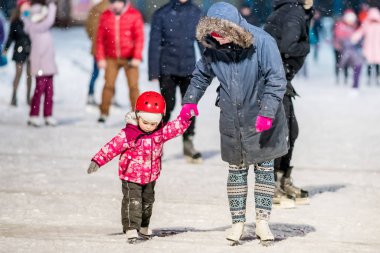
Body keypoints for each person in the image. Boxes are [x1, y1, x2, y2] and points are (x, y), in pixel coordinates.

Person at [181, 2, 288, 246]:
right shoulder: (213, 47)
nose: (217, 37)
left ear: (235, 28)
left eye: (222, 31)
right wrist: (189, 102)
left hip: (262, 117)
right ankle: (237, 222)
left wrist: (267, 112)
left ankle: (262, 221)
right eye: (213, 31)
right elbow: (200, 76)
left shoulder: (262, 42)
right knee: (236, 171)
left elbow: (276, 79)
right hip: (232, 118)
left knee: (264, 171)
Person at [87, 91, 197, 243]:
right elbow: (112, 147)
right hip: (130, 176)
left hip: (151, 176)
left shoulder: (159, 132)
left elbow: (175, 128)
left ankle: (144, 226)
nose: (149, 127)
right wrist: (98, 160)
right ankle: (131, 228)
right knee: (134, 201)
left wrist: (186, 117)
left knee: (148, 201)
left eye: (153, 124)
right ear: (137, 116)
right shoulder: (128, 134)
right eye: (145, 122)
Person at [263, 0, 313, 208]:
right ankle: (271, 184)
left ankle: (282, 178)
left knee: (290, 131)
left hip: (277, 77)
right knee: (283, 132)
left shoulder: (289, 10)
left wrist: (307, 12)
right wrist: (307, 46)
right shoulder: (293, 12)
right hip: (276, 78)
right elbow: (288, 46)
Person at [148, 0, 203, 163]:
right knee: (166, 107)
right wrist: (153, 70)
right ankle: (156, 145)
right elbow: (154, 43)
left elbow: (203, 42)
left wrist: (210, 67)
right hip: (167, 69)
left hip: (188, 68)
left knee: (189, 106)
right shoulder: (162, 13)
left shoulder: (196, 13)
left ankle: (188, 142)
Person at [96, 0, 144, 123]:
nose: (115, 5)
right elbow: (100, 39)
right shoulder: (105, 15)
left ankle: (136, 114)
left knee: (133, 87)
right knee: (108, 85)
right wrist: (101, 58)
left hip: (130, 57)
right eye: (113, 2)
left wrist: (137, 57)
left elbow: (139, 37)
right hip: (111, 57)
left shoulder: (134, 14)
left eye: (118, 2)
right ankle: (103, 113)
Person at [21, 0, 58, 127]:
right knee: (39, 91)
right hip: (40, 64)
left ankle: (48, 115)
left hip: (48, 64)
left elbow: (26, 17)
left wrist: (24, 13)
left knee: (49, 92)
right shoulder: (35, 27)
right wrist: (52, 5)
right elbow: (50, 20)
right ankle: (34, 115)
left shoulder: (37, 25)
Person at [3, 0, 32, 106]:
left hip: (30, 51)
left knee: (29, 76)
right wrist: (5, 49)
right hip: (19, 51)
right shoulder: (15, 21)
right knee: (18, 75)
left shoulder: (32, 20)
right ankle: (14, 96)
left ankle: (28, 98)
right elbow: (11, 37)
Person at [84, 0, 109, 105]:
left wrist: (93, 38)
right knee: (111, 74)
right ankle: (110, 97)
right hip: (109, 46)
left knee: (95, 73)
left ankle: (90, 94)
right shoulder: (112, 9)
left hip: (97, 46)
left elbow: (88, 27)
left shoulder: (94, 9)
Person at [352, 7, 380, 85]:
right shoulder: (367, 24)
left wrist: (353, 38)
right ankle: (373, 78)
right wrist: (353, 38)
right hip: (373, 48)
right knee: (374, 64)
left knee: (372, 64)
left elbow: (360, 32)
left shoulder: (367, 24)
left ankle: (373, 78)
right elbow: (360, 32)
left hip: (372, 48)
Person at [333, 10, 357, 84]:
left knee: (345, 62)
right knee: (338, 62)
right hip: (339, 47)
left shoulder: (352, 26)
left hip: (344, 48)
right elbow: (338, 35)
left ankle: (345, 78)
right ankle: (338, 77)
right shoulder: (341, 25)